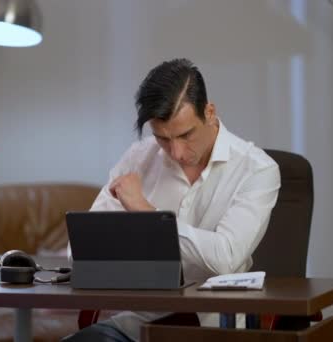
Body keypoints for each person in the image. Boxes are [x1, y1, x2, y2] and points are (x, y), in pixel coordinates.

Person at [63, 58, 281, 342]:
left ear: (210, 112)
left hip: (217, 329)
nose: (176, 152)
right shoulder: (139, 157)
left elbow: (225, 258)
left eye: (185, 135)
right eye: (163, 138)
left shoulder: (258, 169)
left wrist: (145, 214)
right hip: (138, 326)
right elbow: (81, 251)